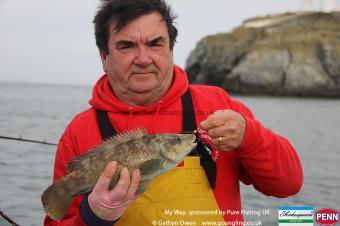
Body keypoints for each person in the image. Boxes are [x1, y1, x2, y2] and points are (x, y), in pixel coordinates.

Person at [44, 0, 303, 225]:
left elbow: (287, 185)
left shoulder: (218, 106)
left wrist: (250, 136)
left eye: (155, 43)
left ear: (171, 48)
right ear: (104, 56)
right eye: (126, 46)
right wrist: (92, 218)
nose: (143, 58)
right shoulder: (79, 132)